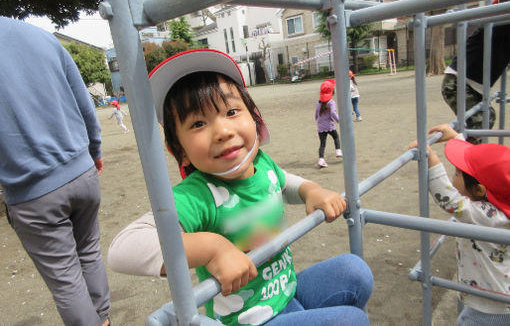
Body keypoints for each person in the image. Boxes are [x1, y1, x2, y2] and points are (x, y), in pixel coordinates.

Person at [108, 49, 373, 325]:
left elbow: (280, 182)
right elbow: (121, 249)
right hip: (249, 320)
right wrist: (213, 248)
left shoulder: (262, 163)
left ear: (256, 120)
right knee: (350, 321)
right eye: (198, 123)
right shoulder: (197, 195)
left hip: (286, 293)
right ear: (179, 151)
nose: (222, 131)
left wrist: (311, 190)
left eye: (232, 111)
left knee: (354, 271)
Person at [0, 17, 111, 326]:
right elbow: (85, 105)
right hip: (81, 171)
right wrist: (95, 151)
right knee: (89, 251)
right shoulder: (39, 36)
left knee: (65, 278)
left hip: (31, 191)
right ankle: (103, 320)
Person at [409, 124, 510, 325]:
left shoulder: (488, 216)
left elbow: (449, 199)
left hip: (489, 306)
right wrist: (456, 138)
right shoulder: (501, 206)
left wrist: (431, 158)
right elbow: (481, 165)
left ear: (480, 190)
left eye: (457, 173)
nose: (453, 175)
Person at [441, 0, 510, 144]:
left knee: (486, 117)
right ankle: (461, 153)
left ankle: (465, 153)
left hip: (473, 84)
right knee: (480, 122)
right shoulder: (497, 19)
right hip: (457, 81)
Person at [315, 79, 342, 168]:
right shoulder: (331, 102)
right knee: (336, 137)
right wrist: (339, 120)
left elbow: (316, 115)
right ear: (332, 92)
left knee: (322, 143)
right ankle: (338, 150)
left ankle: (321, 159)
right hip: (329, 126)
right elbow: (333, 113)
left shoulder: (318, 103)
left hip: (320, 127)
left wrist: (318, 121)